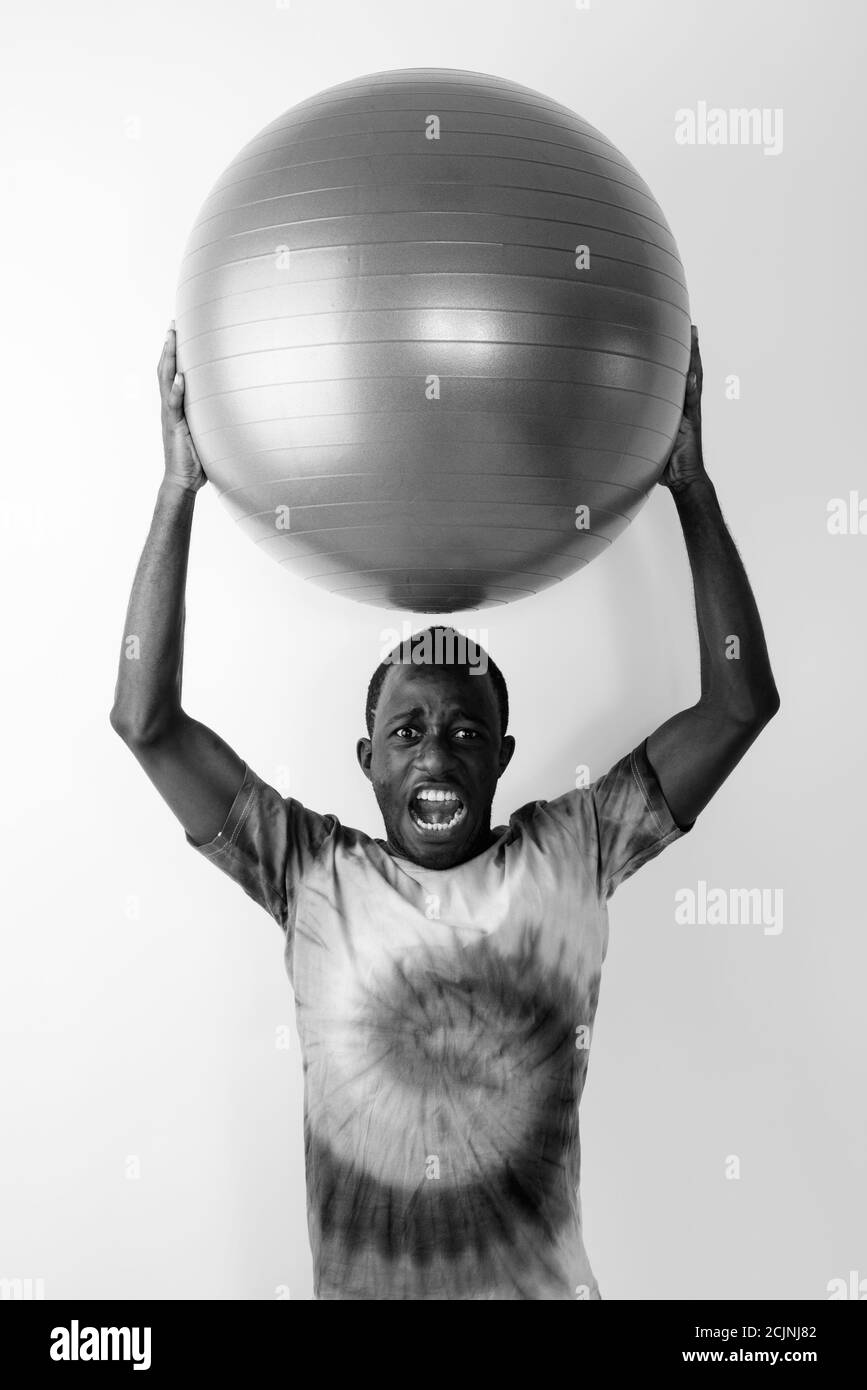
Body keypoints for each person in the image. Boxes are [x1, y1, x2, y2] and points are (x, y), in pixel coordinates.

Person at [110, 323, 779, 1300]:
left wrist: (693, 491)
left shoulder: (576, 847)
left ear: (503, 756)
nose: (436, 750)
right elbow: (146, 721)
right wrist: (178, 492)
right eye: (409, 729)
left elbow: (739, 705)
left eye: (465, 731)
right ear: (367, 760)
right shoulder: (309, 872)